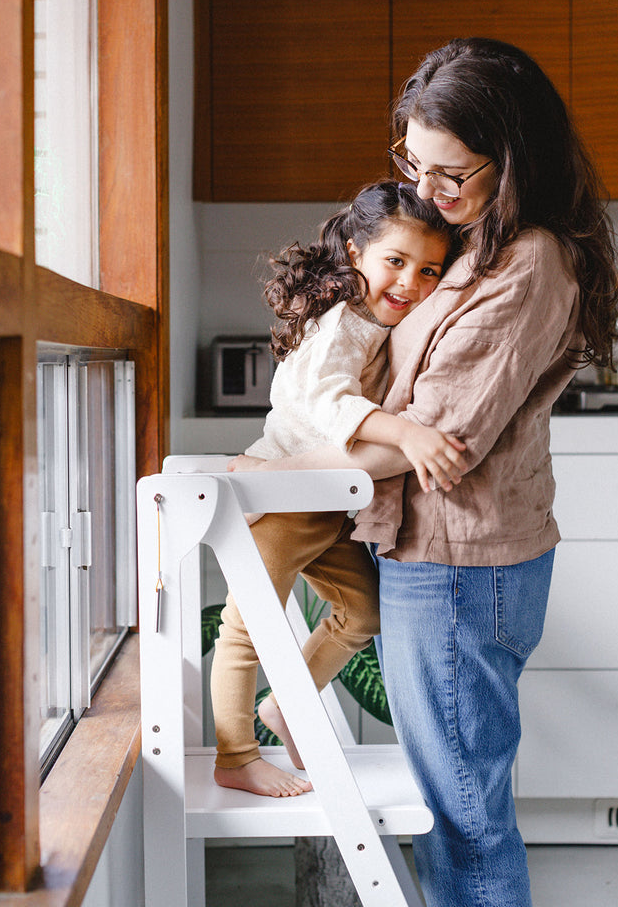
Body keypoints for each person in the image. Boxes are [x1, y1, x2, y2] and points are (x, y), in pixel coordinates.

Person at [229, 38, 618, 904]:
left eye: (453, 174)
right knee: (457, 812)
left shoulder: (527, 263)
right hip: (434, 555)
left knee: (465, 823)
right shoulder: (475, 241)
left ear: (512, 159)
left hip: (456, 563)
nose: (430, 194)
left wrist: (271, 471)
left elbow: (438, 437)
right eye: (414, 162)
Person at [211, 180, 468, 799]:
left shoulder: (374, 322)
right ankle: (236, 756)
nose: (410, 282)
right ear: (355, 254)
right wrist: (407, 434)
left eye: (429, 269)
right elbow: (330, 403)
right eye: (396, 262)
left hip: (326, 504)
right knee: (246, 630)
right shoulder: (343, 321)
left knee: (367, 611)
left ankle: (283, 711)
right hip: (279, 501)